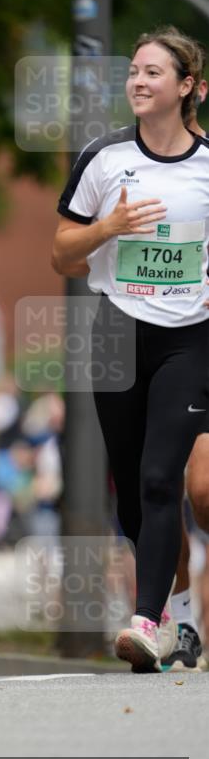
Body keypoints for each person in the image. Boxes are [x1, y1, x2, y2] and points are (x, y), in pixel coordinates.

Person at [53, 26, 209, 673]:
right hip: (115, 331)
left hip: (190, 338)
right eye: (133, 72)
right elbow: (60, 256)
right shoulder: (103, 158)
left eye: (153, 72)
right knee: (130, 495)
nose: (139, 82)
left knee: (157, 478)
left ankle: (145, 621)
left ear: (189, 87)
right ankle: (181, 618)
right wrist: (106, 228)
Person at [167, 52, 209, 669]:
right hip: (152, 340)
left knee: (203, 487)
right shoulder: (121, 160)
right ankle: (177, 622)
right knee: (151, 491)